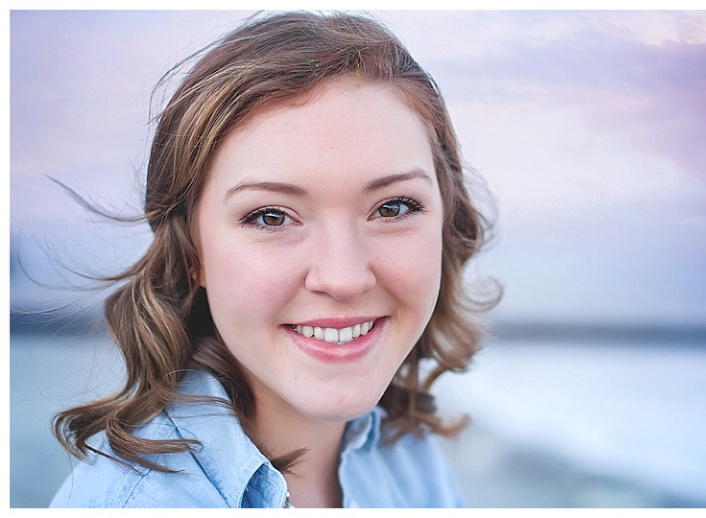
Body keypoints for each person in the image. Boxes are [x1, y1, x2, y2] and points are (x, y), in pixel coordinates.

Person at [50, 11, 499, 508]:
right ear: (191, 252)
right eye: (271, 217)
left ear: (445, 223)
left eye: (392, 208)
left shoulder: (407, 457)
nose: (343, 278)